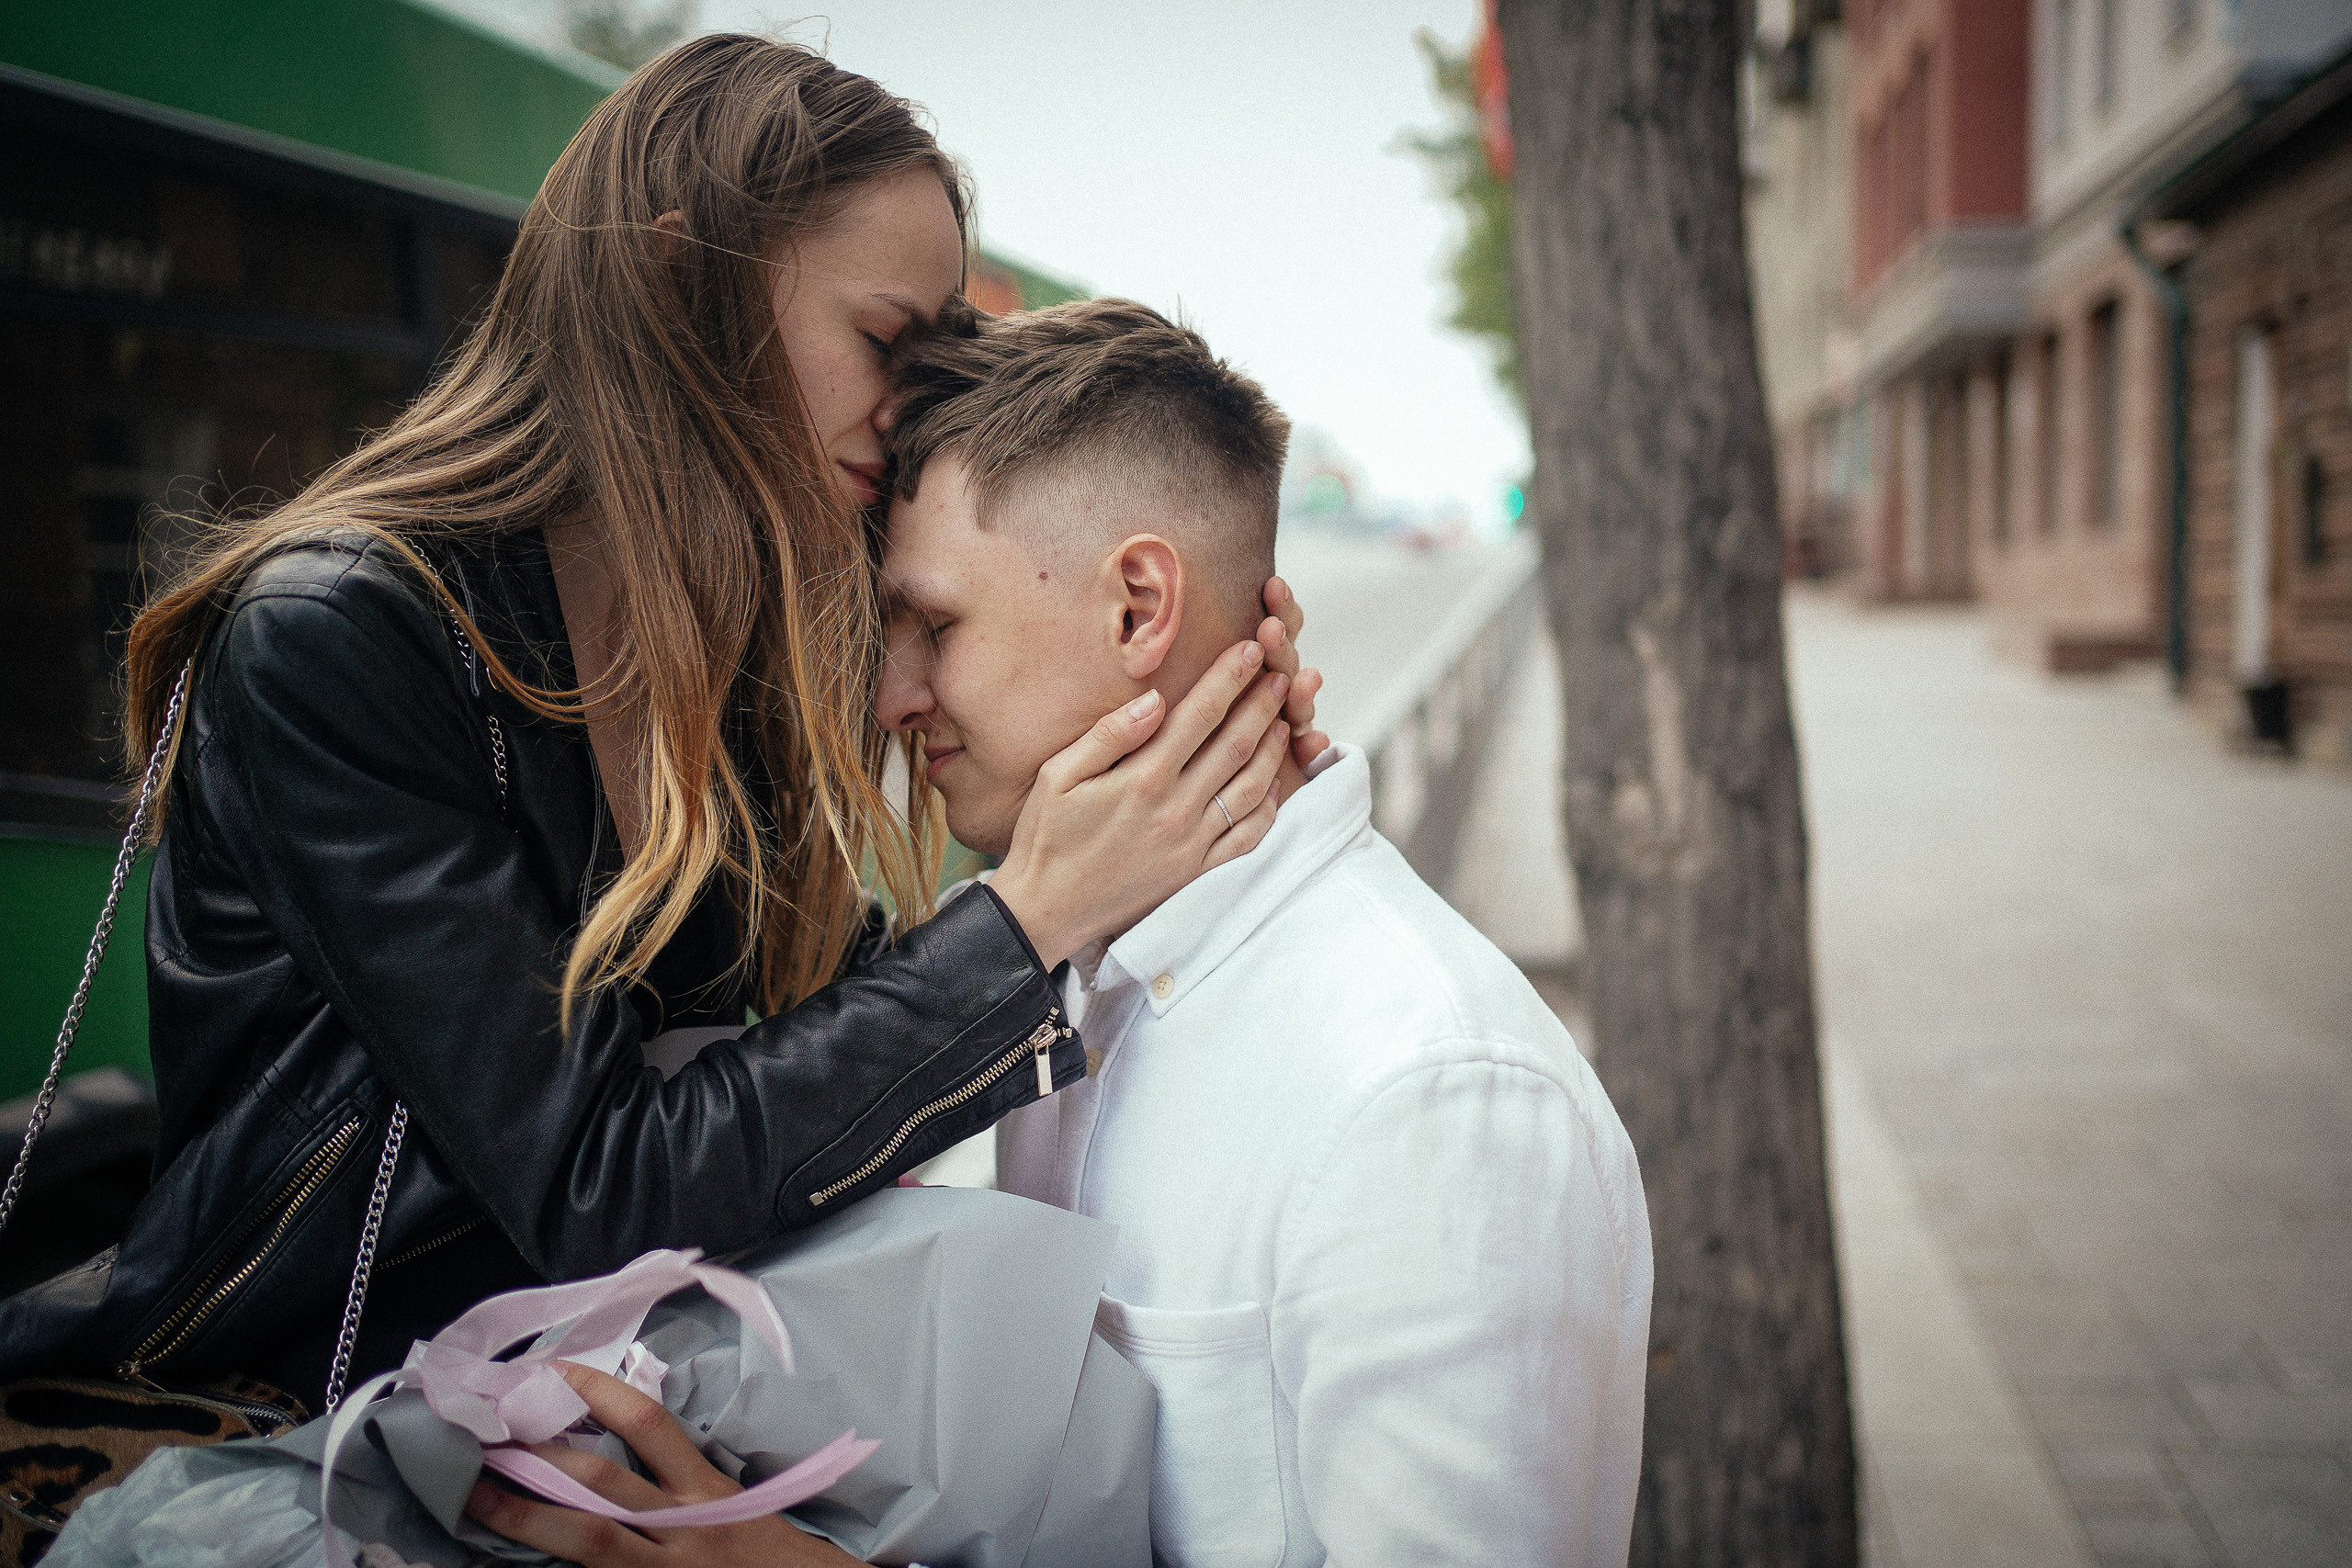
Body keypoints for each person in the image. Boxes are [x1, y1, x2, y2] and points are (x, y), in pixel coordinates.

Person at [0, 36, 1326, 1424]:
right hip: (315, 1433)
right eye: (889, 342)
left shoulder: (720, 643)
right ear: (683, 281)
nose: (911, 406)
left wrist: (1180, 753)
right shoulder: (341, 635)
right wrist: (1028, 913)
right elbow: (600, 1184)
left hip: (587, 1422)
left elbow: (825, 1039)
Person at [876, 299, 1655, 1565]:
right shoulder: (1071, 979)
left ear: (1139, 608)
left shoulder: (1427, 1095)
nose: (890, 695)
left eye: (933, 627)